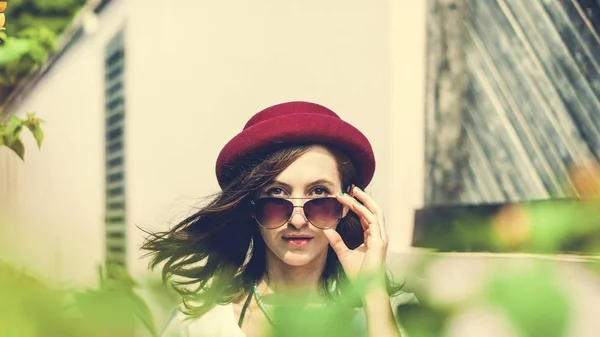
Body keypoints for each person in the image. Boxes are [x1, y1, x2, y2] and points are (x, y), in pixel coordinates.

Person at [143, 101, 416, 337]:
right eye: (276, 194)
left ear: (347, 205)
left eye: (319, 193)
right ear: (251, 206)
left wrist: (372, 292)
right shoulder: (201, 324)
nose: (297, 219)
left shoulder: (395, 312)